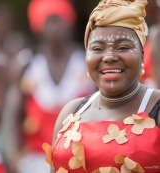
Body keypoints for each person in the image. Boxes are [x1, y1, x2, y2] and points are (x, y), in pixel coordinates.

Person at [42, 0, 160, 173]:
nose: (109, 57)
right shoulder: (71, 112)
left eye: (123, 47)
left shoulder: (156, 107)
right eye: (98, 48)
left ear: (142, 55)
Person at [13, 0, 96, 173]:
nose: (55, 28)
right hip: (35, 158)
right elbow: (15, 112)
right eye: (49, 21)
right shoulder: (27, 63)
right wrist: (16, 153)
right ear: (38, 27)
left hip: (80, 157)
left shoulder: (87, 61)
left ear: (70, 23)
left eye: (59, 20)